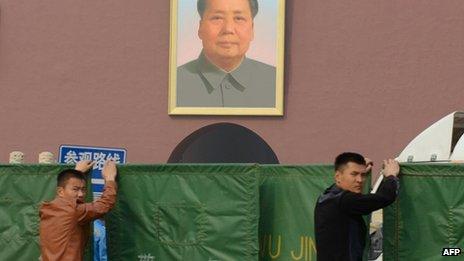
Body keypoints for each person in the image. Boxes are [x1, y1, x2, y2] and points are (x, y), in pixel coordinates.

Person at [177, 0, 276, 108]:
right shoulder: (173, 83)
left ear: (252, 29)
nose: (228, 29)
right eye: (217, 18)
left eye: (239, 18)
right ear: (200, 28)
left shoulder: (276, 82)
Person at [314, 152, 400, 261]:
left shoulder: (325, 197)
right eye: (354, 174)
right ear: (337, 176)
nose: (360, 180)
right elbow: (385, 197)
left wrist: (357, 170)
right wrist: (391, 176)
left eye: (362, 175)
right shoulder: (346, 201)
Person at [39, 160, 118, 261]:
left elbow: (65, 196)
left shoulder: (49, 208)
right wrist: (110, 179)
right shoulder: (74, 210)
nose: (81, 194)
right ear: (60, 191)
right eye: (75, 189)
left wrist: (77, 172)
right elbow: (105, 204)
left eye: (83, 190)